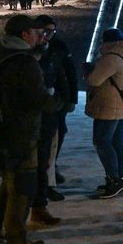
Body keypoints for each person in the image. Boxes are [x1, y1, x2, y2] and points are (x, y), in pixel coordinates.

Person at [0, 14, 64, 244]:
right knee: (22, 187)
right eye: (35, 33)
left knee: (10, 180)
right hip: (20, 132)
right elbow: (37, 99)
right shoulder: (24, 62)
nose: (40, 37)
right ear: (24, 35)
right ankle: (16, 240)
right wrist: (57, 102)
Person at [84, 27, 123, 198]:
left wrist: (89, 70)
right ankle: (119, 178)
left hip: (108, 107)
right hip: (121, 105)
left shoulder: (111, 58)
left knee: (102, 141)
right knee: (116, 141)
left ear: (108, 43)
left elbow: (94, 80)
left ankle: (114, 180)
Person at [36, 15, 78, 199]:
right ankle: (43, 181)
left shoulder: (59, 47)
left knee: (56, 136)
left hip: (56, 101)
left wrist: (71, 98)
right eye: (45, 30)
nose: (49, 34)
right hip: (39, 103)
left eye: (52, 31)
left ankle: (50, 173)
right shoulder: (33, 48)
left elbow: (68, 72)